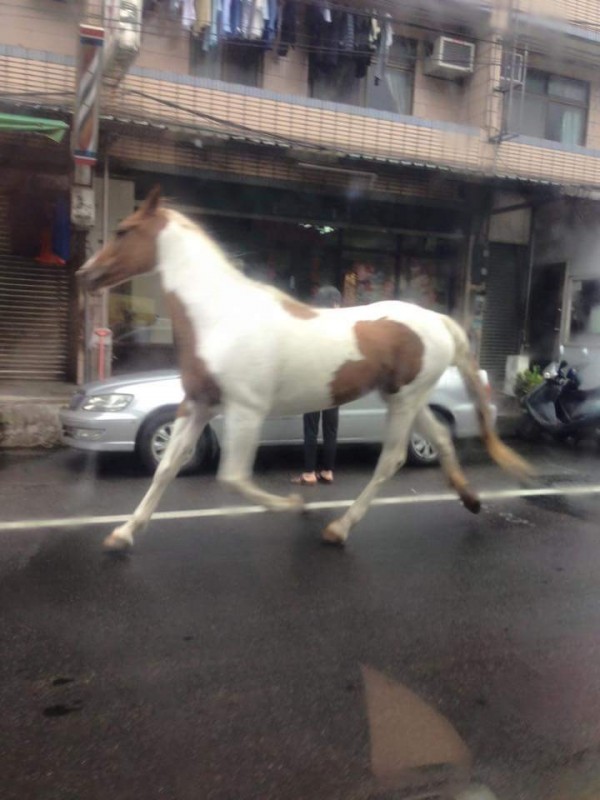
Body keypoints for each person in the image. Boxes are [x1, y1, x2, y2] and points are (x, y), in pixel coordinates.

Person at [292, 285, 342, 486]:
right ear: (334, 303)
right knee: (331, 429)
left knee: (311, 429)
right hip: (335, 384)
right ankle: (328, 471)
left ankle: (309, 473)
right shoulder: (341, 326)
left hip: (314, 383)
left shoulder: (312, 323)